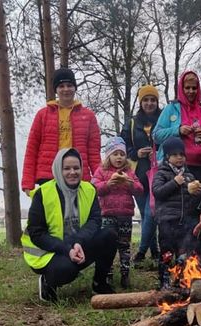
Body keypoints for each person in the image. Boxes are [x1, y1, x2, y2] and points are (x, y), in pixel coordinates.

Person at [22, 148, 117, 302]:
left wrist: (78, 242)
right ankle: (47, 281)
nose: (72, 172)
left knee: (109, 235)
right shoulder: (43, 193)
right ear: (58, 170)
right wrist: (67, 249)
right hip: (48, 252)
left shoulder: (89, 189)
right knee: (67, 270)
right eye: (66, 168)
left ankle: (100, 283)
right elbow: (37, 233)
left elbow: (95, 221)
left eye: (76, 168)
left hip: (76, 245)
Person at [22, 68, 101, 196]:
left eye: (69, 85)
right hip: (48, 175)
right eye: (61, 86)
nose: (66, 89)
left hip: (77, 175)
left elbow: (93, 153)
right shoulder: (43, 115)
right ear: (56, 90)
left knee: (78, 215)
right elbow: (31, 149)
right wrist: (27, 182)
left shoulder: (89, 116)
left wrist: (99, 179)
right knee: (52, 215)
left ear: (75, 88)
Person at [91, 137, 143, 289]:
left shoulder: (129, 172)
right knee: (108, 246)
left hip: (125, 215)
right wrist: (107, 185)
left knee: (124, 246)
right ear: (108, 156)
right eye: (115, 154)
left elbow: (140, 190)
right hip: (107, 215)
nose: (119, 157)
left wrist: (130, 183)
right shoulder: (101, 171)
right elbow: (93, 188)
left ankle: (125, 274)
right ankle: (107, 274)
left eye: (122, 153)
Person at [152, 137, 201, 289]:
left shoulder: (189, 176)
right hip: (167, 220)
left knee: (184, 253)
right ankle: (164, 282)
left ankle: (182, 280)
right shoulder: (162, 173)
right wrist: (175, 183)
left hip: (185, 221)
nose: (179, 158)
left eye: (182, 154)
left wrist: (197, 192)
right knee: (167, 253)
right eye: (175, 155)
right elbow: (157, 192)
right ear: (168, 157)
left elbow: (196, 201)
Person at [153, 70, 201, 183]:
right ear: (181, 89)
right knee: (179, 201)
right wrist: (178, 130)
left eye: (194, 88)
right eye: (187, 88)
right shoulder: (171, 109)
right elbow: (156, 136)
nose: (191, 91)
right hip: (175, 169)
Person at [121, 84, 161, 263]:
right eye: (146, 100)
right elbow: (122, 146)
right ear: (140, 102)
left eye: (153, 100)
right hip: (138, 174)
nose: (150, 103)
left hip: (158, 174)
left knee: (151, 213)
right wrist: (135, 153)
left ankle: (141, 253)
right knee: (146, 215)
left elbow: (171, 143)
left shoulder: (163, 119)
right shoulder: (131, 123)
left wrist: (158, 153)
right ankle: (155, 251)